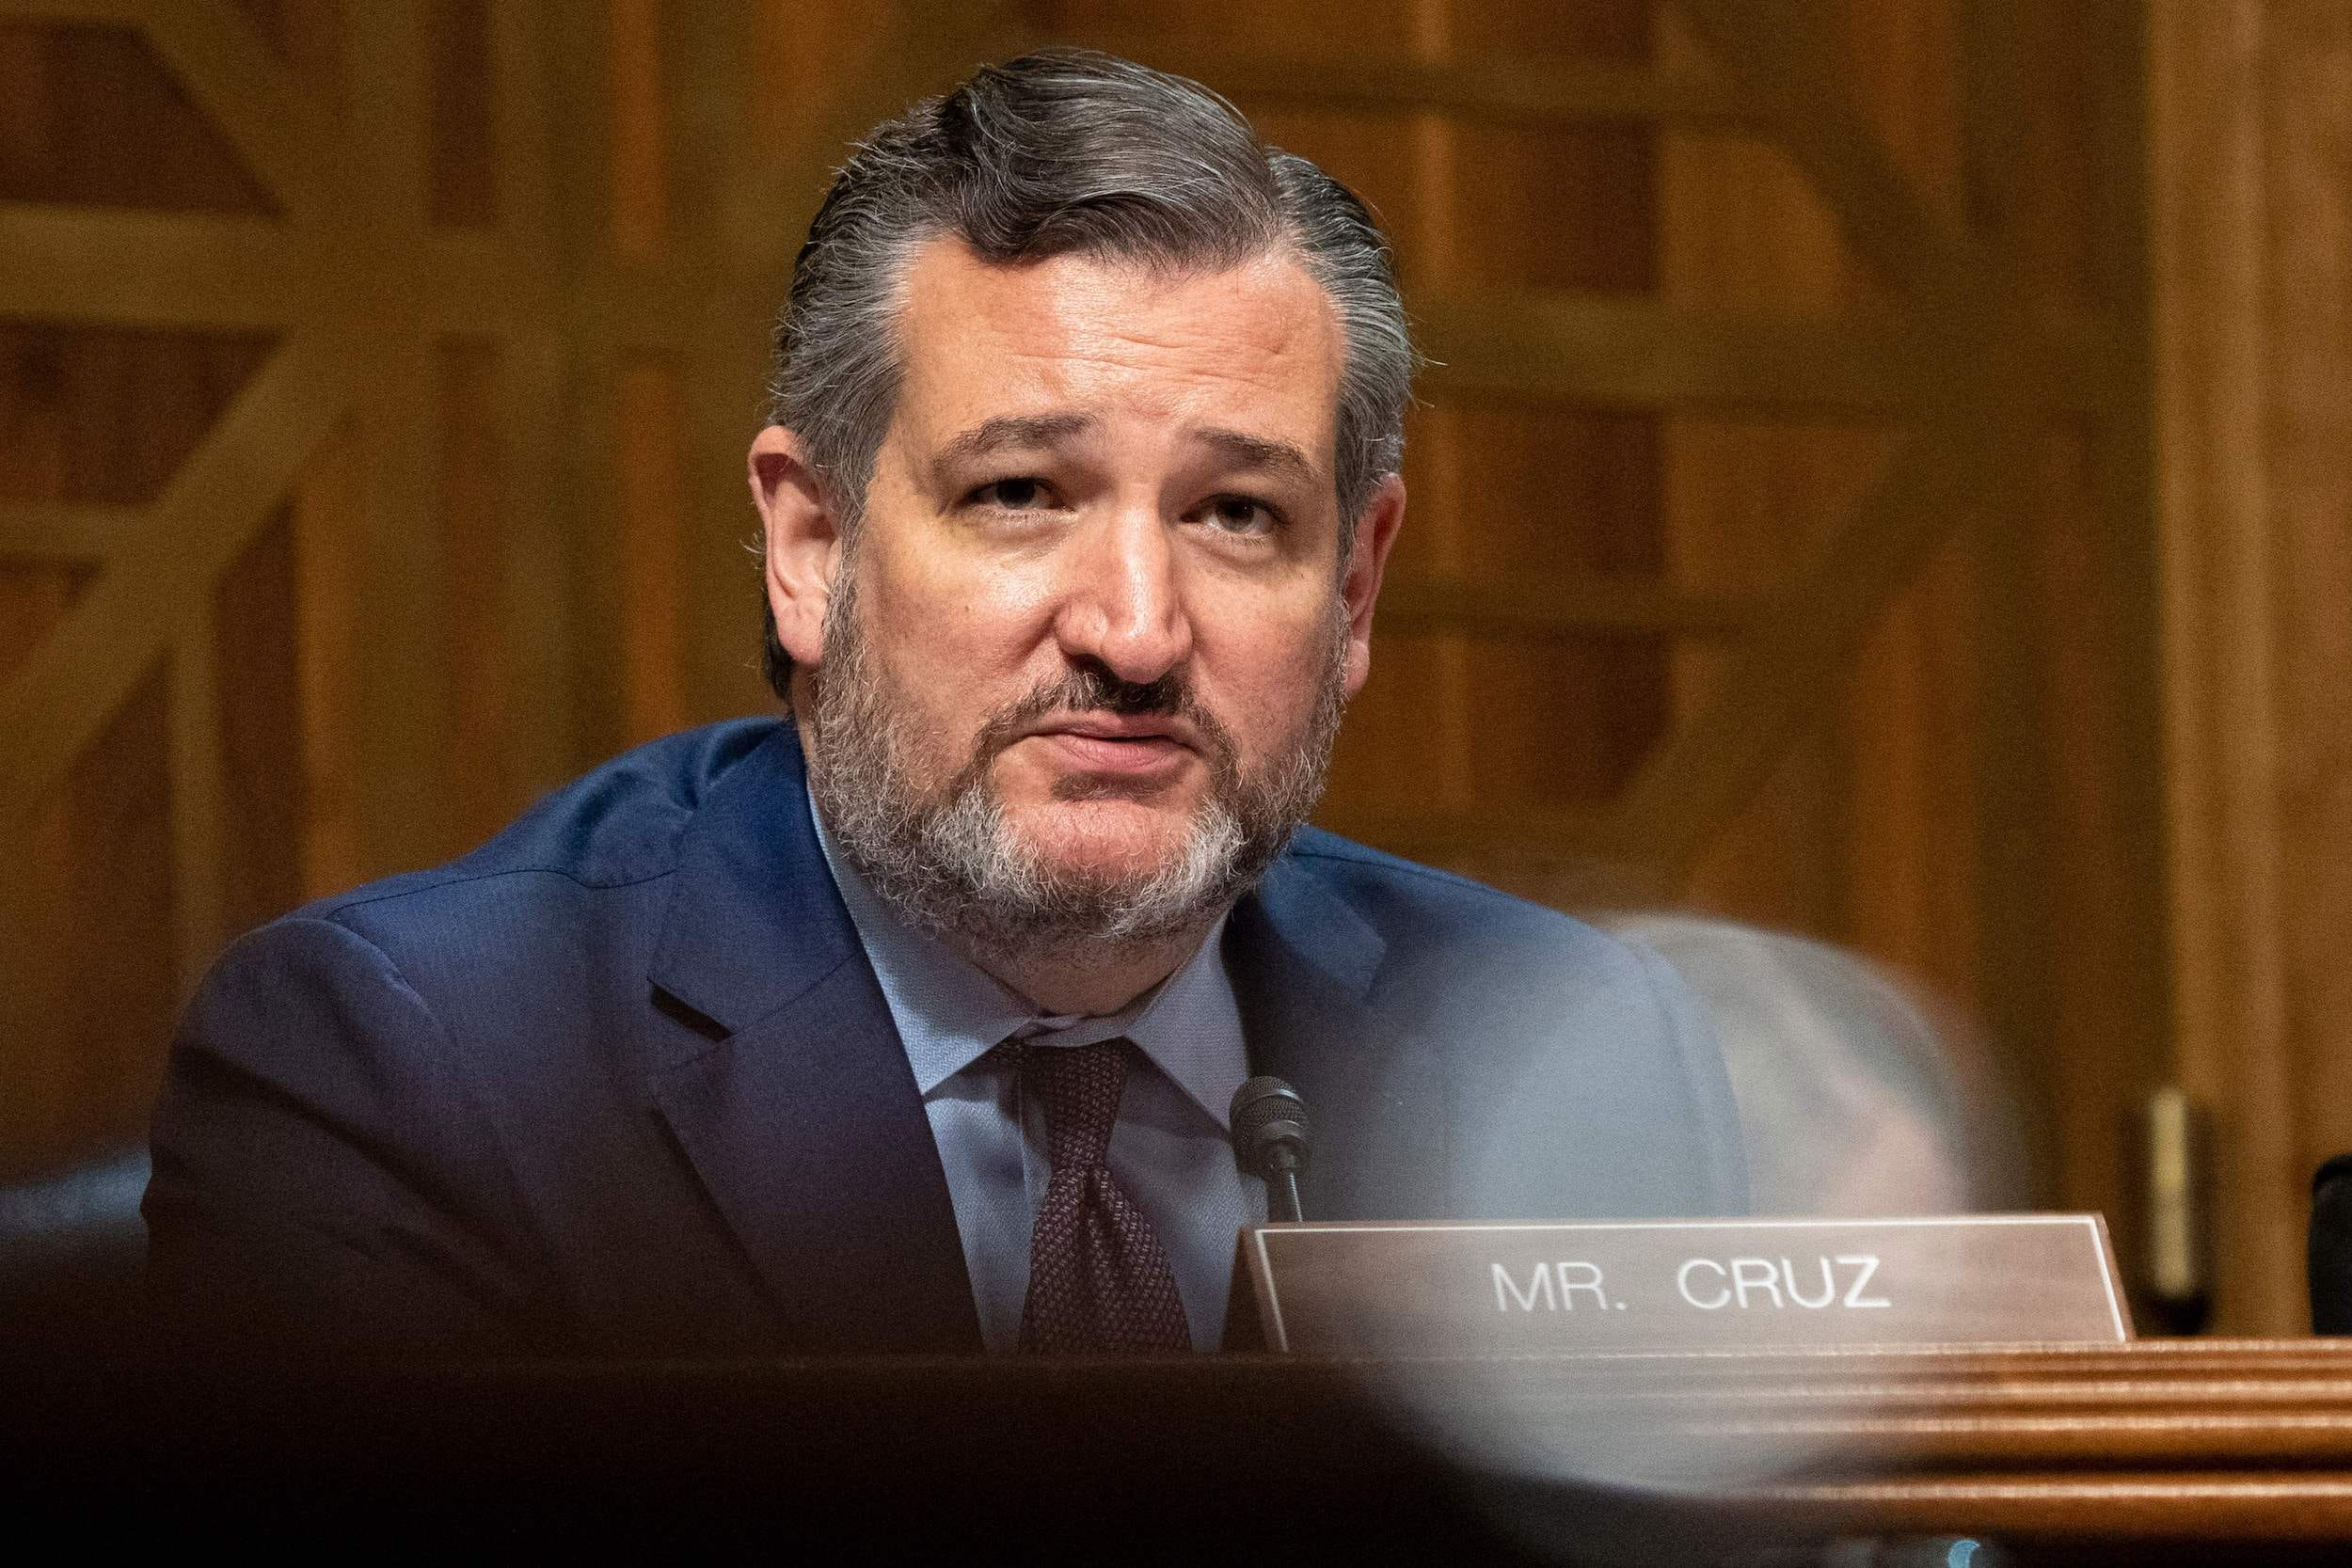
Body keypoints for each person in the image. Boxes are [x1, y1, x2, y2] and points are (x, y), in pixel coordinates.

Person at [143, 51, 1745, 1358]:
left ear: (1356, 589)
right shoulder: (422, 1071)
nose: (1134, 629)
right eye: (1021, 492)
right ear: (810, 543)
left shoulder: (1571, 1059)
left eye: (1238, 516)